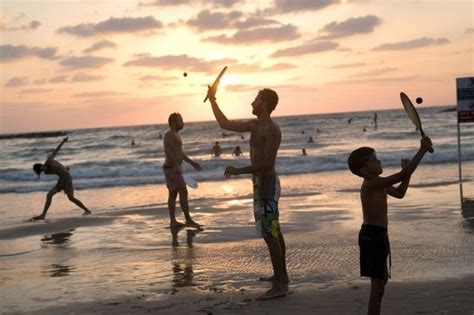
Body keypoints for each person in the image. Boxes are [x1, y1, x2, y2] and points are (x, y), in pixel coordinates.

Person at [207, 86, 288, 300]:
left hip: (268, 183)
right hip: (260, 184)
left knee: (270, 233)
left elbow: (267, 163)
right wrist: (213, 100)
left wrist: (238, 170)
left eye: (256, 99)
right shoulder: (254, 126)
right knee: (274, 230)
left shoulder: (272, 129)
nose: (252, 103)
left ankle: (281, 284)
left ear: (265, 104)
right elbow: (224, 124)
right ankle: (281, 277)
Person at [347, 136, 433, 315]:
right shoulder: (372, 183)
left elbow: (400, 192)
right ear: (364, 170)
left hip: (379, 236)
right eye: (374, 159)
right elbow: (401, 175)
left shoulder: (380, 183)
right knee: (377, 289)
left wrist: (407, 174)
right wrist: (422, 150)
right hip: (371, 237)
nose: (379, 161)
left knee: (381, 283)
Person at [31, 137, 91, 220]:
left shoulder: (49, 161)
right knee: (49, 195)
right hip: (61, 180)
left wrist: (63, 141)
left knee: (71, 198)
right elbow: (59, 170)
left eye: (42, 168)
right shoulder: (47, 172)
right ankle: (43, 215)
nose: (43, 170)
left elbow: (56, 151)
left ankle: (87, 210)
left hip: (67, 178)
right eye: (41, 171)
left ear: (41, 165)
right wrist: (65, 168)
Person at [163, 113, 201, 228]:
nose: (183, 122)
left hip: (174, 168)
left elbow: (180, 153)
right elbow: (167, 150)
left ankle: (174, 221)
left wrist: (191, 162)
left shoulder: (176, 135)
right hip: (172, 168)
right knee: (182, 192)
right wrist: (175, 165)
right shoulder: (169, 134)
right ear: (174, 123)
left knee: (174, 194)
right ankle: (186, 219)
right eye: (180, 120)